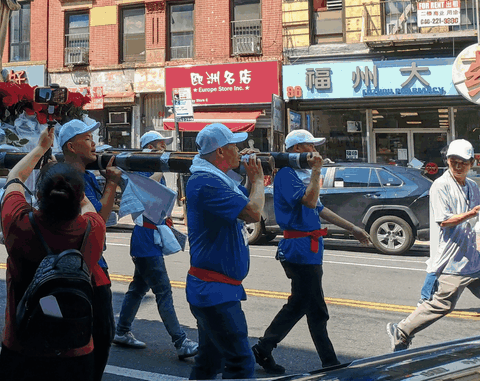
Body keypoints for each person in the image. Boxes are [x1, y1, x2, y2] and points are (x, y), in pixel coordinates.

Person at [252, 129, 372, 374]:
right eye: (310, 146)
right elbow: (309, 201)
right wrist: (317, 171)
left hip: (309, 248)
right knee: (313, 306)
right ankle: (326, 361)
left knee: (301, 304)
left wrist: (352, 229)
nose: (315, 150)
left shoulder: (300, 175)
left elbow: (319, 208)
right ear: (297, 150)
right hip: (299, 250)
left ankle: (264, 348)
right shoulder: (287, 174)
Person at [0, 126, 106, 381]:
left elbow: (14, 178)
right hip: (76, 351)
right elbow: (87, 207)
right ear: (78, 196)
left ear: (38, 195)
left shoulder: (18, 222)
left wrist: (40, 148)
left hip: (22, 346)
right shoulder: (93, 228)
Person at [185, 123, 264, 380]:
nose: (240, 152)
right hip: (214, 291)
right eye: (234, 146)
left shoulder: (218, 180)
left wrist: (254, 181)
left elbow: (249, 200)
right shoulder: (207, 183)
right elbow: (253, 213)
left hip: (215, 288)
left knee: (209, 362)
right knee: (241, 363)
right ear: (220, 152)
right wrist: (259, 179)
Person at [388, 139, 480, 351]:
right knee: (442, 304)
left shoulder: (473, 186)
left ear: (471, 163)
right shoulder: (440, 185)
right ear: (447, 161)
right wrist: (471, 213)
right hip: (453, 260)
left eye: (462, 162)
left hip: (473, 255)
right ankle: (402, 330)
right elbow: (444, 221)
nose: (457, 166)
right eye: (453, 161)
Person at [113, 131, 198, 360]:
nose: (164, 147)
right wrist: (160, 165)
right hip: (145, 237)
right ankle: (181, 342)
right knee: (163, 290)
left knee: (139, 288)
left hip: (147, 237)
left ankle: (121, 331)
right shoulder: (141, 168)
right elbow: (145, 190)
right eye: (160, 144)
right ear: (150, 147)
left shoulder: (151, 169)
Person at [60, 119, 123, 381]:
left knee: (98, 334)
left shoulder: (83, 175)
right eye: (87, 138)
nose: (93, 143)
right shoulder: (67, 178)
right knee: (98, 334)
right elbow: (97, 222)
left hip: (89, 265)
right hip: (82, 270)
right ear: (72, 146)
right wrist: (111, 184)